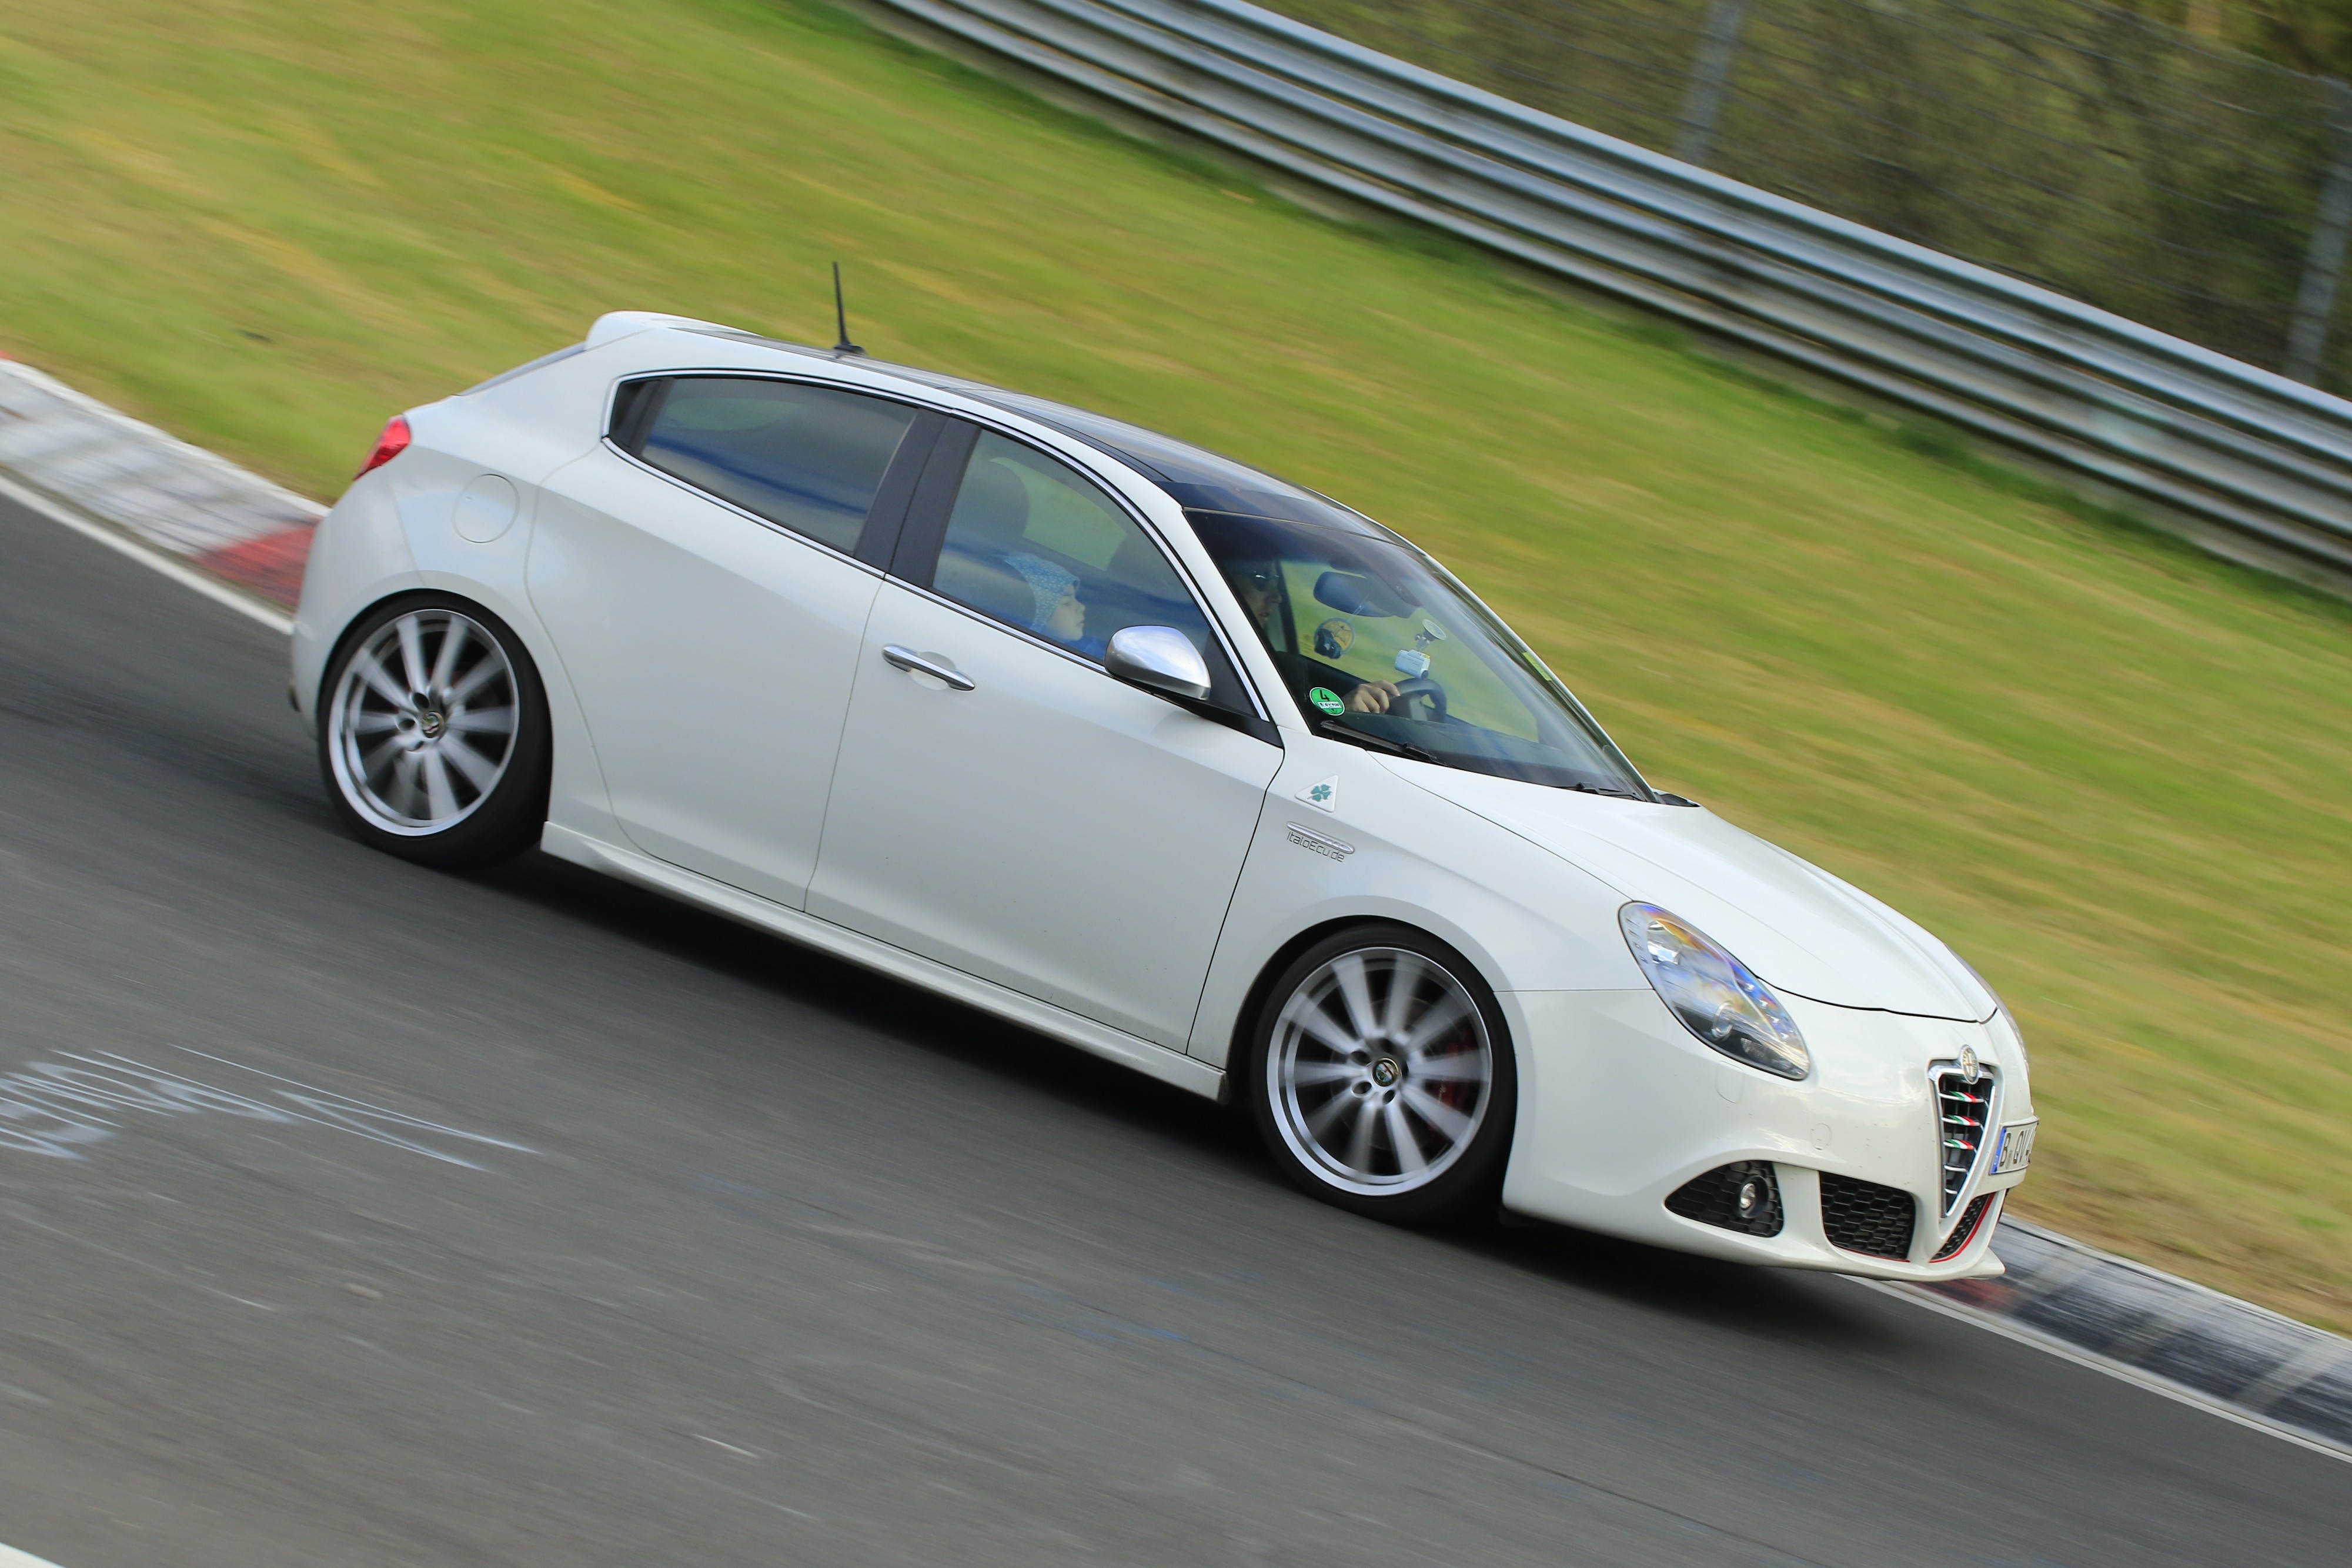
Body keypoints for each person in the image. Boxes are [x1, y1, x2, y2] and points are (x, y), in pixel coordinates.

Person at [1222, 556, 1401, 716]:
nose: (1278, 597)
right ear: (1226, 579)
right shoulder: (1211, 658)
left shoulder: (1260, 659)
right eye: (1261, 579)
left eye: (1275, 580)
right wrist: (1341, 714)